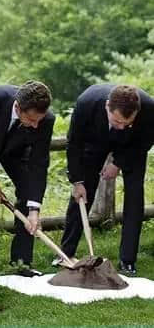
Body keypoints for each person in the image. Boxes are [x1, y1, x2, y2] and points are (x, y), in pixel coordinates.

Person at [57, 84, 154, 275]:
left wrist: (118, 163)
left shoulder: (150, 108)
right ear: (107, 106)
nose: (121, 127)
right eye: (117, 121)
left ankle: (128, 261)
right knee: (82, 192)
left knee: (134, 196)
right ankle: (65, 253)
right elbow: (74, 143)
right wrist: (77, 181)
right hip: (95, 142)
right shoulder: (87, 102)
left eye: (127, 123)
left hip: (132, 148)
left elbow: (145, 141)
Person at [0, 81, 55, 277]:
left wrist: (34, 209)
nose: (35, 126)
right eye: (31, 120)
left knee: (27, 191)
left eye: (39, 121)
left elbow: (38, 164)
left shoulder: (46, 120)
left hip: (14, 152)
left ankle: (21, 263)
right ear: (18, 107)